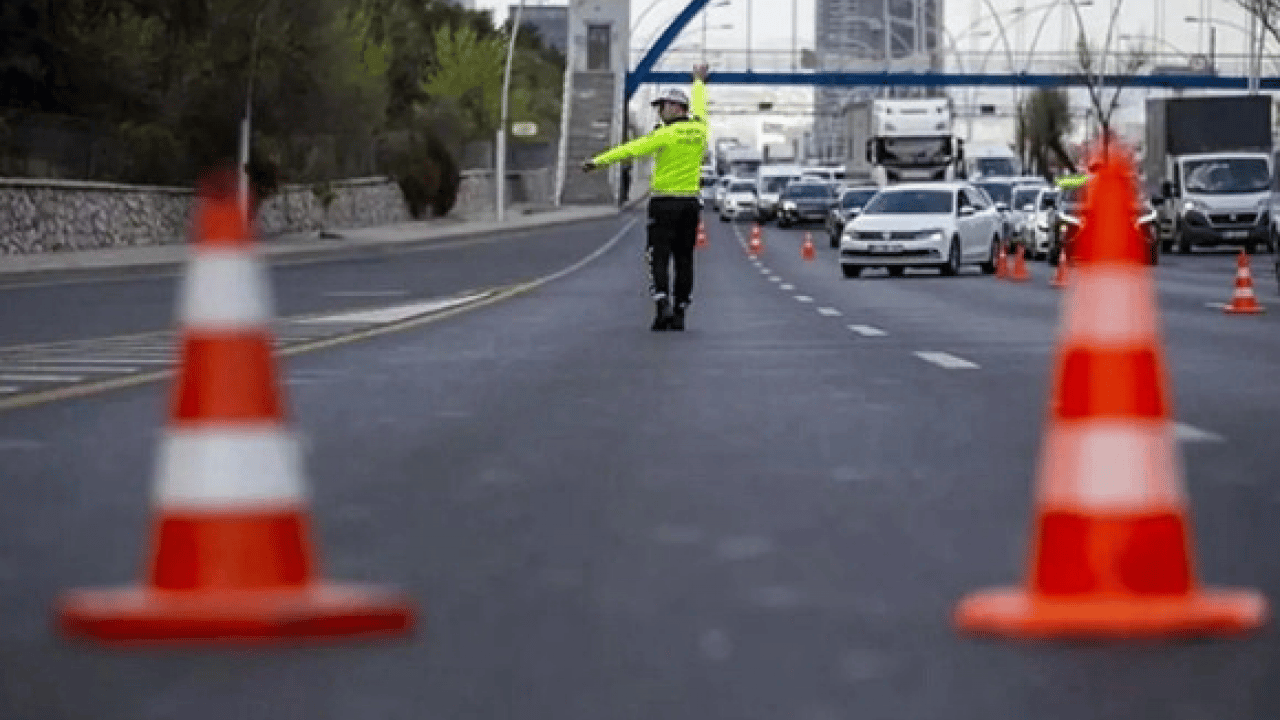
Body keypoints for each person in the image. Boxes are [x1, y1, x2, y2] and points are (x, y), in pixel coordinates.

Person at [583, 64, 710, 331]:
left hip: (664, 203)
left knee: (658, 255)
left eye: (662, 106)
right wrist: (699, 81)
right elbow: (700, 106)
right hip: (690, 204)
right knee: (685, 258)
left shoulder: (663, 134)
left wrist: (597, 162)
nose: (659, 111)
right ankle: (681, 310)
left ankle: (662, 302)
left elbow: (630, 149)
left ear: (675, 108)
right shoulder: (700, 130)